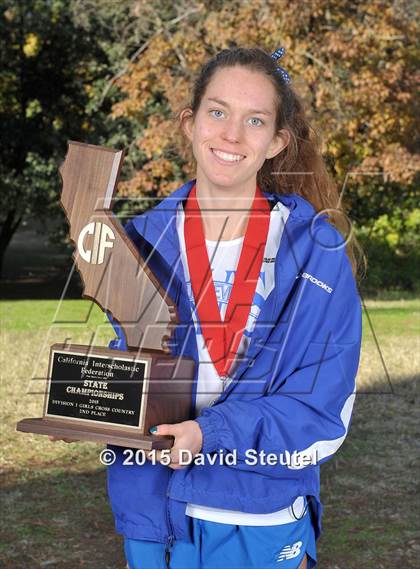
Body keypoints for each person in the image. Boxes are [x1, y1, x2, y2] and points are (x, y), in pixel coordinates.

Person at [55, 46, 364, 568]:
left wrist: (211, 433)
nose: (231, 135)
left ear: (276, 142)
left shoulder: (316, 252)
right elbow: (143, 362)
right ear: (190, 122)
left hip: (258, 514)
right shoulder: (136, 240)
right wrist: (96, 401)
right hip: (153, 513)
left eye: (255, 120)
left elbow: (324, 410)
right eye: (217, 112)